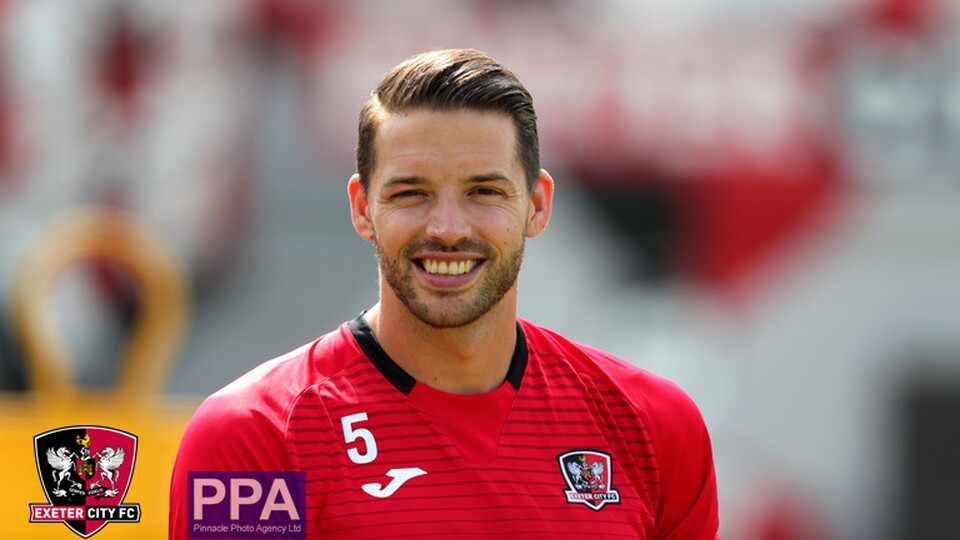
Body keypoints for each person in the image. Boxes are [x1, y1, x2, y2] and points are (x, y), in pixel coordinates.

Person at [169, 48, 720, 539]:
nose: (448, 228)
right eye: (412, 193)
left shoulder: (651, 425)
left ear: (537, 205)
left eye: (484, 191)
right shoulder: (257, 437)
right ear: (362, 208)